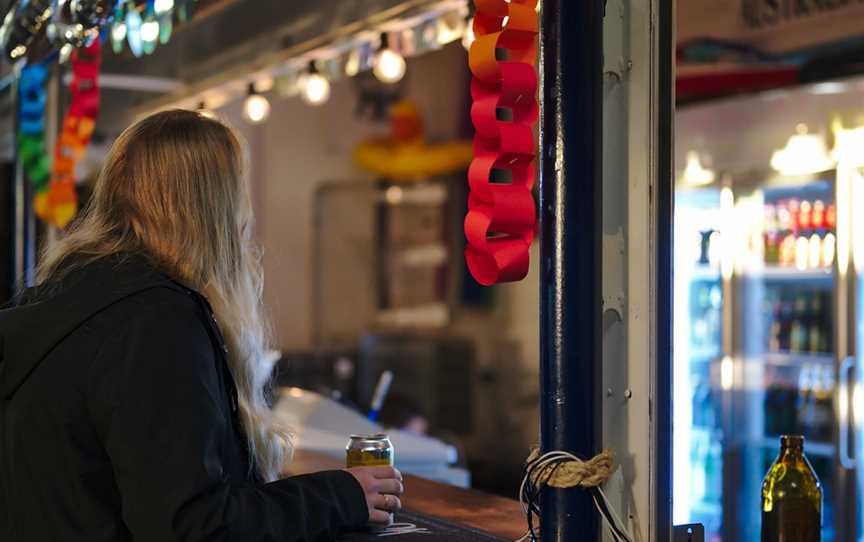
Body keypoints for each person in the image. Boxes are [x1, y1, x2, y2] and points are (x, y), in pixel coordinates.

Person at [0, 109, 403, 541]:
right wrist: (339, 495)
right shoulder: (154, 322)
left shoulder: (62, 299)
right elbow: (193, 526)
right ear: (214, 211)